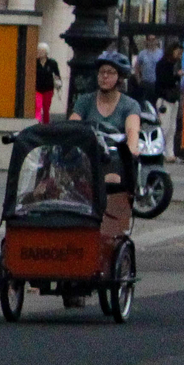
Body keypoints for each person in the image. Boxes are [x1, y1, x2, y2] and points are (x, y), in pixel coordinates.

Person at [72, 51, 146, 242]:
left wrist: (130, 150)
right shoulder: (85, 101)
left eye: (110, 72)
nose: (104, 76)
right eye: (101, 72)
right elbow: (72, 126)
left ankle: (107, 226)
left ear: (120, 77)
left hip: (112, 159)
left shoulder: (129, 105)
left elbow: (132, 132)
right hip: (86, 158)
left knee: (112, 177)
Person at [34, 49, 61, 123]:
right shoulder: (35, 62)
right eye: (39, 51)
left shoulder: (52, 63)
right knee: (38, 107)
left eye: (41, 51)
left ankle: (46, 125)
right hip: (37, 88)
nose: (39, 53)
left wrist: (58, 83)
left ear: (46, 53)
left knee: (46, 109)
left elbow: (57, 74)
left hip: (48, 89)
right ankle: (37, 123)